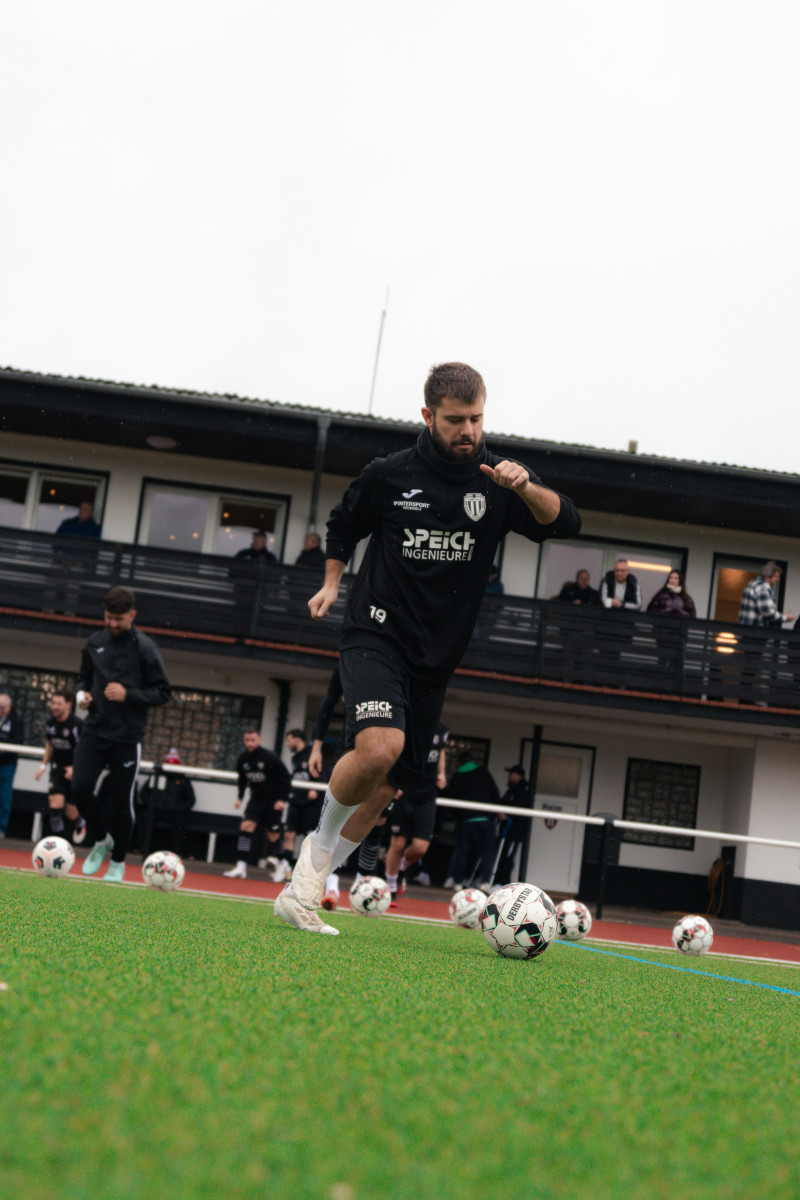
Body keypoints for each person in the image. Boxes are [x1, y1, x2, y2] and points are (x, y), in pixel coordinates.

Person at [274, 360, 581, 935]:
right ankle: (312, 863)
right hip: (375, 630)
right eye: (455, 420)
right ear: (427, 416)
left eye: (477, 419)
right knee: (379, 748)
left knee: (388, 785)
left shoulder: (499, 479)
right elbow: (344, 524)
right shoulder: (390, 474)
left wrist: (526, 487)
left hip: (435, 659)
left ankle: (303, 886)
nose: (468, 431)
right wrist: (333, 583)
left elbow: (565, 522)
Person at [72, 586, 172, 882]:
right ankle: (101, 839)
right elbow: (83, 677)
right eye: (108, 618)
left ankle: (117, 861)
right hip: (93, 731)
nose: (113, 624)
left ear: (132, 615)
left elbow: (163, 692)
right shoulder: (94, 642)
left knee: (120, 802)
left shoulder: (145, 648)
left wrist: (128, 694)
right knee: (79, 789)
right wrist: (81, 695)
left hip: (127, 737)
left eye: (118, 619)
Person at [385, 721, 449, 905]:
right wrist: (394, 781)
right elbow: (394, 750)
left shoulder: (442, 729)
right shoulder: (407, 724)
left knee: (420, 848)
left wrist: (442, 773)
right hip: (404, 793)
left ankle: (402, 869)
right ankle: (391, 889)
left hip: (427, 796)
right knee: (397, 844)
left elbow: (441, 750)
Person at [223, 729, 292, 880]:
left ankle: (282, 862)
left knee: (273, 836)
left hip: (273, 801)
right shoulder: (243, 759)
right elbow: (242, 780)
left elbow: (286, 778)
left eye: (252, 740)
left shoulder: (269, 757)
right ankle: (241, 867)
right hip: (256, 800)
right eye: (247, 740)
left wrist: (282, 800)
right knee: (245, 827)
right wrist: (240, 797)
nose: (249, 743)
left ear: (259, 740)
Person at [443, 752, 501, 892]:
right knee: (487, 852)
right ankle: (486, 882)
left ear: (459, 762)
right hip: (486, 818)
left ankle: (457, 882)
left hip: (467, 820)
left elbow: (451, 799)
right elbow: (495, 792)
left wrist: (456, 816)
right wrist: (496, 811)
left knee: (462, 852)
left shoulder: (458, 776)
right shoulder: (483, 772)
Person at [738, 561, 794, 704]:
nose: (778, 579)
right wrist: (785, 618)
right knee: (752, 666)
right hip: (755, 633)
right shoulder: (763, 588)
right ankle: (745, 699)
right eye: (776, 576)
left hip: (747, 632)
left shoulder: (751, 584)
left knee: (749, 665)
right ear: (768, 576)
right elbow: (768, 612)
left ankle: (744, 697)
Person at [33, 690, 86, 843]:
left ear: (68, 705)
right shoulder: (50, 724)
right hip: (57, 769)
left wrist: (75, 767)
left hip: (74, 771)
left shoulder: (76, 725)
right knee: (55, 805)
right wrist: (43, 766)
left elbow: (84, 749)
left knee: (70, 812)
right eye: (53, 703)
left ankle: (80, 822)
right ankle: (58, 842)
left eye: (58, 704)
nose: (54, 707)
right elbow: (49, 745)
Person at [281, 728, 324, 882]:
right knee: (288, 834)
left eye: (289, 740)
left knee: (311, 838)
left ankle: (308, 872)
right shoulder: (295, 758)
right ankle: (285, 868)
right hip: (295, 800)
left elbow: (322, 772)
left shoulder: (312, 753)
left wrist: (315, 788)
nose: (287, 744)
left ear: (297, 739)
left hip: (310, 803)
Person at [137, 748, 195, 858]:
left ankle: (177, 852)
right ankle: (142, 849)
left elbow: (190, 800)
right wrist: (151, 804)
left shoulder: (183, 780)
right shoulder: (156, 776)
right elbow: (144, 793)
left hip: (174, 812)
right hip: (156, 810)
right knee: (144, 816)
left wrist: (178, 808)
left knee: (181, 820)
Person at [229, 531, 277, 635]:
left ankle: (252, 638)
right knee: (240, 616)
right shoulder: (243, 554)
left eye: (258, 540)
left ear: (264, 542)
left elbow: (275, 577)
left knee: (256, 617)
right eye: (254, 539)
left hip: (259, 594)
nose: (255, 542)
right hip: (241, 592)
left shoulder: (270, 558)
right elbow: (232, 571)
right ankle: (238, 636)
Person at [493, 764, 531, 886]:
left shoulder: (522, 790)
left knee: (507, 858)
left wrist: (506, 815)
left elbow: (520, 811)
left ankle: (503, 883)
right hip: (505, 830)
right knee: (500, 855)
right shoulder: (511, 790)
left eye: (511, 774)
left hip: (514, 832)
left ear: (518, 775)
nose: (509, 776)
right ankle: (497, 881)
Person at [0, 693, 25, 838]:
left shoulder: (16, 721)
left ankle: (1, 829)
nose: (0, 710)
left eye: (2, 707)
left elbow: (18, 741)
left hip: (7, 764)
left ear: (9, 707)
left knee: (4, 796)